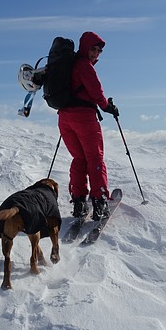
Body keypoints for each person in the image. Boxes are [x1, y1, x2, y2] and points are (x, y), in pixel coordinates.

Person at [57, 31, 120, 220]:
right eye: (93, 49)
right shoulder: (84, 65)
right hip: (84, 118)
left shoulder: (68, 65)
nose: (96, 53)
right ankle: (100, 203)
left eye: (99, 51)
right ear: (85, 47)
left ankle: (79, 203)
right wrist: (107, 106)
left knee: (79, 158)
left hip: (64, 118)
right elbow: (95, 90)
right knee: (94, 159)